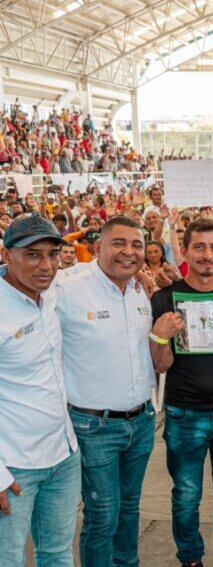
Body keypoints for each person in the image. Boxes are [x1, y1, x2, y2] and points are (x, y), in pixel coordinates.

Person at [55, 216, 157, 567]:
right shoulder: (67, 289)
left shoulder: (144, 289)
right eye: (119, 243)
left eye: (137, 245)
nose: (128, 252)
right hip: (93, 426)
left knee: (130, 509)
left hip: (142, 421)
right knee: (102, 515)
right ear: (98, 247)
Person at [150, 218, 213, 567]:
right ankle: (190, 557)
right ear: (186, 251)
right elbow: (160, 365)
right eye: (200, 247)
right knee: (186, 496)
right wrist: (161, 337)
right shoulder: (165, 297)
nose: (208, 255)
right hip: (184, 413)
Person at [0, 215, 80, 567]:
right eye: (33, 255)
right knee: (9, 558)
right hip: (14, 466)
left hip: (63, 455)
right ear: (6, 255)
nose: (46, 265)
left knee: (58, 554)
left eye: (53, 254)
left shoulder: (52, 293)